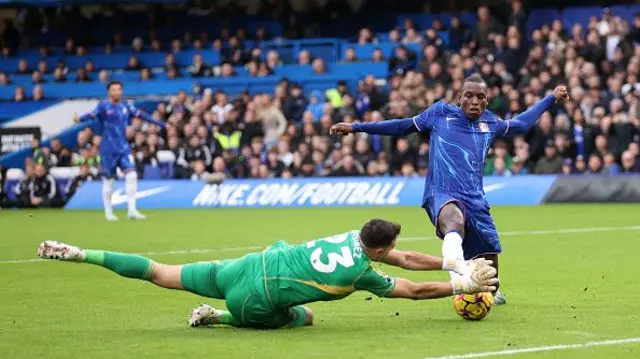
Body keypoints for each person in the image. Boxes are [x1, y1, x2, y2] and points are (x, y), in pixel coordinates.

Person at [330, 75, 569, 306]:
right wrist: (356, 127)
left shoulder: (490, 122)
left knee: (489, 259)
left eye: (480, 97)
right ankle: (458, 280)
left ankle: (488, 292)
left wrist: (550, 98)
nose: (474, 101)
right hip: (440, 191)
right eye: (469, 96)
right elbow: (402, 126)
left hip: (474, 197)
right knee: (453, 218)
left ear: (486, 100)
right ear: (459, 97)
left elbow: (522, 123)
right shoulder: (439, 114)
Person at [37, 218, 497, 329]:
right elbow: (412, 289)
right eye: (389, 248)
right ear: (379, 248)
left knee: (158, 272)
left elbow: (407, 260)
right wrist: (461, 284)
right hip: (252, 301)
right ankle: (218, 319)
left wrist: (454, 263)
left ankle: (83, 254)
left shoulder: (346, 237)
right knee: (307, 319)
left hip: (242, 266)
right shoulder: (362, 274)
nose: (393, 252)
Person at [74, 81, 166, 221]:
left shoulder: (126, 106)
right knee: (109, 181)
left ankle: (132, 210)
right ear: (109, 92)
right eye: (113, 89)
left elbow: (142, 115)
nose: (117, 92)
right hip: (108, 149)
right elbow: (92, 115)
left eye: (119, 89)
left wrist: (161, 124)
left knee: (132, 175)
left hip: (123, 147)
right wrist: (79, 118)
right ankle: (109, 211)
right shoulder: (103, 106)